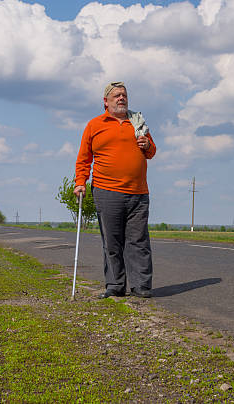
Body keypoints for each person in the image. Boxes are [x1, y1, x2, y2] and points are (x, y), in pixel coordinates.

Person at [74, 81, 156, 298]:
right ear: (106, 101)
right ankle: (115, 285)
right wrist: (80, 182)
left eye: (124, 95)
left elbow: (151, 151)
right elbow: (84, 159)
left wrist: (147, 145)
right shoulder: (95, 125)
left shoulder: (137, 122)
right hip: (106, 191)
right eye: (117, 95)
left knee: (138, 241)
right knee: (112, 241)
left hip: (138, 191)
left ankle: (141, 286)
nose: (121, 98)